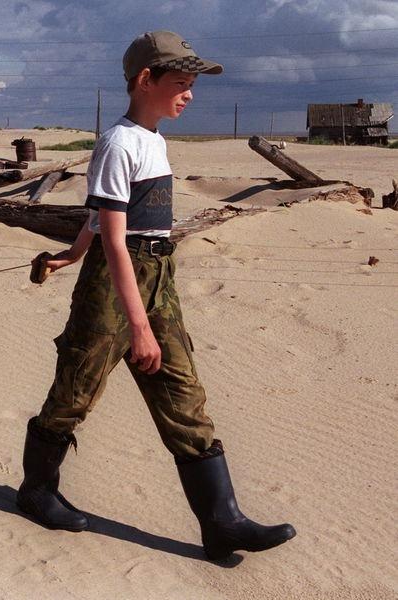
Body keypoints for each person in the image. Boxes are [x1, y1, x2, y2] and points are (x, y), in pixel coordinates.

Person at [16, 30, 296, 561]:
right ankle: (36, 491)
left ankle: (222, 521)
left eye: (193, 84)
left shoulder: (153, 139)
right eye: (181, 83)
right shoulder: (118, 142)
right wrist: (137, 324)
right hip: (115, 287)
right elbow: (116, 242)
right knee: (75, 390)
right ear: (146, 80)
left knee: (183, 391)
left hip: (156, 278)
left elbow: (99, 218)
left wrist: (70, 253)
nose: (189, 94)